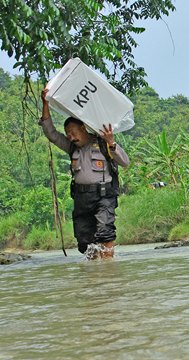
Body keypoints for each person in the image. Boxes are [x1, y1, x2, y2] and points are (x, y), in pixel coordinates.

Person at [39, 88, 130, 259]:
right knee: (85, 242)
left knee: (105, 233)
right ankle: (94, 274)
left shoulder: (103, 144)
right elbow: (50, 133)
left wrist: (111, 142)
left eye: (73, 133)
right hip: (82, 200)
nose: (71, 137)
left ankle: (109, 269)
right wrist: (45, 104)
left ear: (83, 127)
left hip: (104, 197)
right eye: (68, 135)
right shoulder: (71, 147)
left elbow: (125, 162)